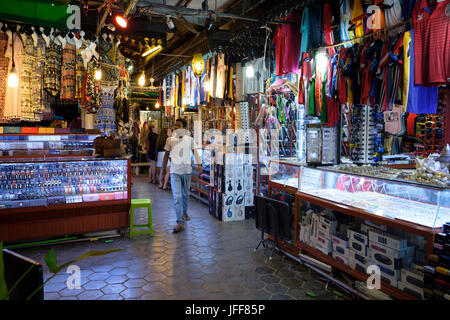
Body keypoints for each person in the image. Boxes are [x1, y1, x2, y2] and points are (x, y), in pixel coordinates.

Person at [162, 118, 202, 233]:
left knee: (186, 195)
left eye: (178, 125)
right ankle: (180, 222)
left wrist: (199, 165)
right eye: (175, 125)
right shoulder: (170, 140)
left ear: (183, 128)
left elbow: (195, 153)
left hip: (186, 172)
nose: (175, 127)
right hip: (175, 172)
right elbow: (165, 156)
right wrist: (164, 169)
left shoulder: (189, 140)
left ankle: (184, 212)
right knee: (177, 197)